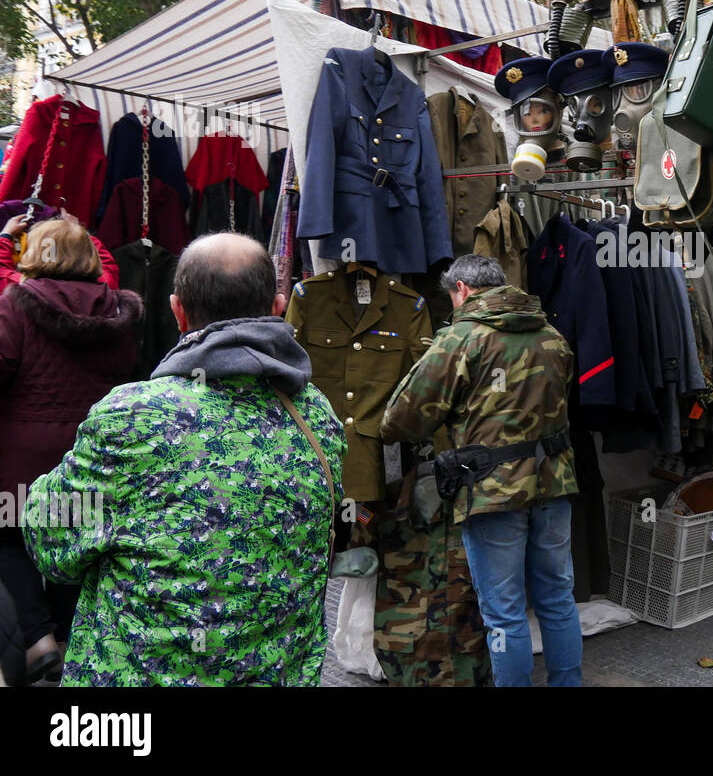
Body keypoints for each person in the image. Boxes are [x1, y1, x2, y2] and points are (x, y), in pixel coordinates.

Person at [23, 232, 345, 686]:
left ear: (177, 311)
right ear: (277, 307)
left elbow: (54, 549)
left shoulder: (130, 415)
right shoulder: (317, 413)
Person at [381, 254, 582, 687]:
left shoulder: (462, 338)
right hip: (554, 484)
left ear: (463, 291)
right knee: (557, 601)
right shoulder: (552, 333)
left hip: (494, 494)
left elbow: (402, 418)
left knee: (504, 616)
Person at [0, 217, 140, 685]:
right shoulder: (119, 312)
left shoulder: (16, 303)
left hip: (21, 455)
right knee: (73, 542)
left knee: (9, 541)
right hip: (90, 454)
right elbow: (126, 381)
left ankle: (38, 639)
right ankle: (66, 636)